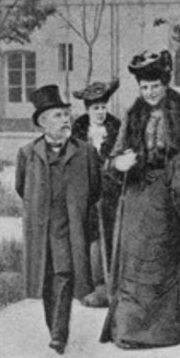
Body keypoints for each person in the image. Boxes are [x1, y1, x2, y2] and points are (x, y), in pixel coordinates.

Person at [100, 50, 180, 349]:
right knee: (136, 262)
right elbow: (113, 159)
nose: (150, 93)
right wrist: (118, 164)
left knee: (170, 262)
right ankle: (131, 330)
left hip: (172, 195)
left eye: (155, 86)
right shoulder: (132, 116)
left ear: (165, 84)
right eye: (144, 87)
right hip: (138, 197)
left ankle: (168, 330)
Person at [15, 85, 100, 355]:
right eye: (57, 116)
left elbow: (95, 188)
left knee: (64, 275)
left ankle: (59, 333)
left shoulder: (85, 152)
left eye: (66, 115)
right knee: (47, 279)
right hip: (41, 228)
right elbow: (21, 187)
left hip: (69, 226)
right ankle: (54, 328)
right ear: (42, 122)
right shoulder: (28, 154)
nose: (66, 120)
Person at [70, 79, 122, 307]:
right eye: (95, 108)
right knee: (92, 237)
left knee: (112, 234)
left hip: (113, 190)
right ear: (87, 110)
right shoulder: (78, 130)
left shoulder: (117, 128)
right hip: (87, 192)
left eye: (103, 107)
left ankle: (115, 286)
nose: (100, 112)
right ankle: (96, 285)